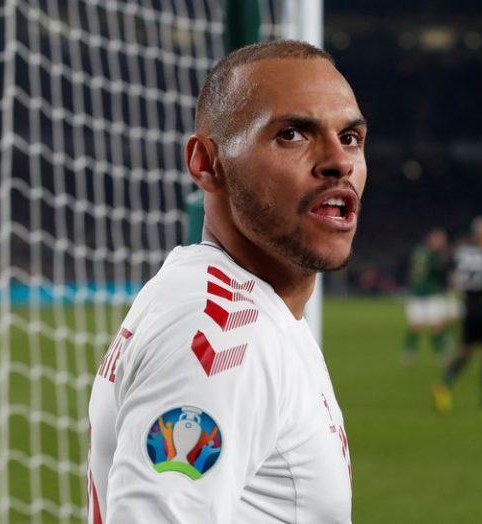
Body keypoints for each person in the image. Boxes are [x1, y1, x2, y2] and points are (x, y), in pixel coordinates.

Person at [87, 40, 367, 523]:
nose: (338, 161)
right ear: (206, 163)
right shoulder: (223, 337)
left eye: (350, 138)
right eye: (293, 135)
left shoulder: (246, 306)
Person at [432, 216, 482, 419]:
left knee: (466, 352)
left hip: (468, 307)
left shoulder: (462, 253)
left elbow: (451, 274)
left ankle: (444, 385)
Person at [402, 228, 452, 366]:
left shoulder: (420, 252)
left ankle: (439, 354)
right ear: (431, 239)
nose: (440, 242)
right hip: (427, 292)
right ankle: (411, 353)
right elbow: (440, 273)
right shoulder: (435, 256)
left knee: (435, 326)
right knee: (418, 326)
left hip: (426, 293)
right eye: (438, 239)